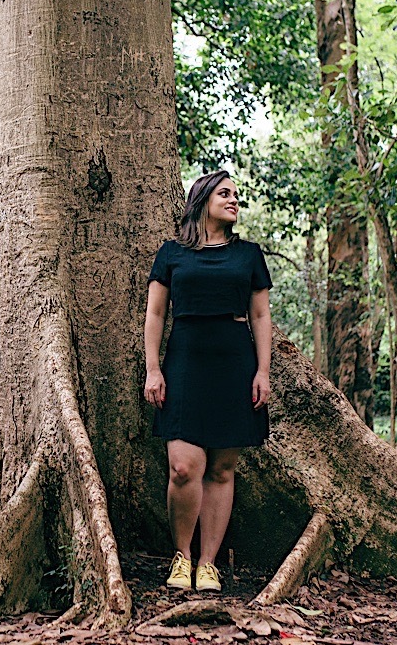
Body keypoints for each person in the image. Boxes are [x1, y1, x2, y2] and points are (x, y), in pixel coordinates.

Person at [143, 170, 272, 593]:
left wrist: (263, 371)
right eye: (224, 193)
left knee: (222, 468)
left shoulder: (248, 255)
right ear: (202, 201)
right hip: (184, 362)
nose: (234, 200)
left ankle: (208, 563)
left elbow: (260, 316)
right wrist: (153, 369)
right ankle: (181, 556)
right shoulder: (172, 253)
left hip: (234, 362)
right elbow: (156, 314)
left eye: (237, 195)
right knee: (183, 467)